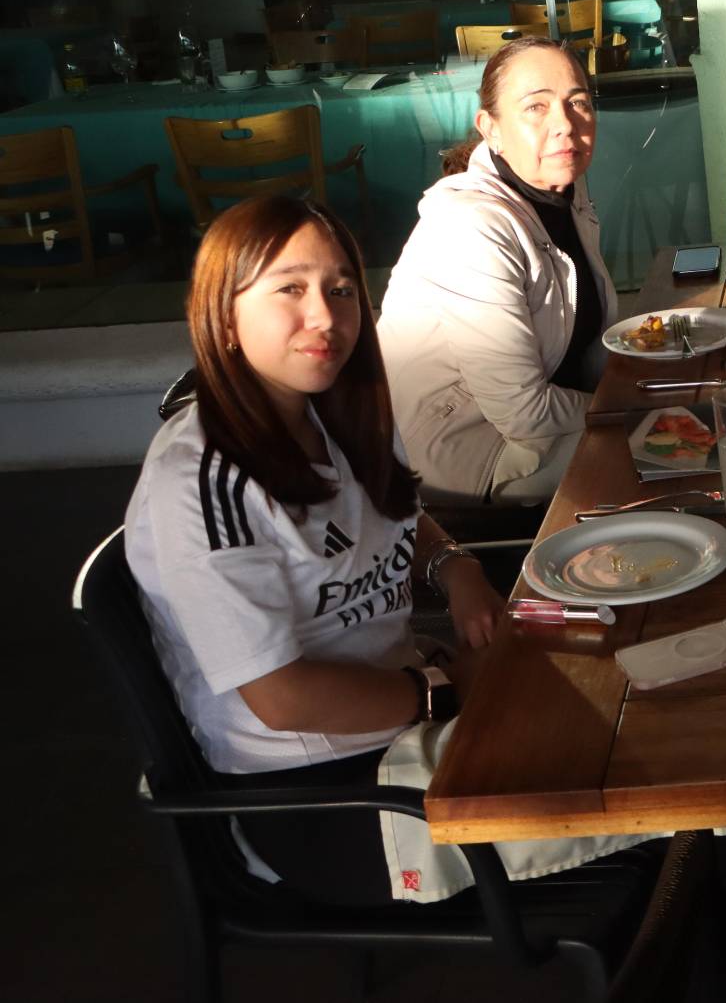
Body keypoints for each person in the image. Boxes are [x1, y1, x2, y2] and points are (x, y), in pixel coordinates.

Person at [123, 195, 659, 905]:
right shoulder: (204, 476)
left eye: (341, 288)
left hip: (405, 728)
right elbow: (280, 698)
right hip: (329, 800)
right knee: (651, 785)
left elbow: (392, 512)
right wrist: (435, 693)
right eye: (290, 287)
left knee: (640, 708)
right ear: (225, 314)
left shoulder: (329, 412)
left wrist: (454, 567)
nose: (325, 315)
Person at [378, 37, 612, 506]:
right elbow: (524, 412)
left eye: (578, 102)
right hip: (465, 450)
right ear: (491, 128)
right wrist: (630, 406)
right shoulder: (471, 224)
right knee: (666, 456)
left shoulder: (560, 188)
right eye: (535, 108)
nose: (564, 124)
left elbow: (582, 342)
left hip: (541, 426)